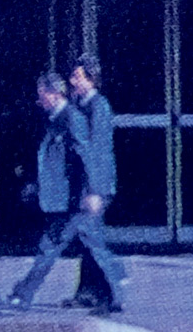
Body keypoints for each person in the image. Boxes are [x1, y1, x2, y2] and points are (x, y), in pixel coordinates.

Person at [4, 73, 126, 314]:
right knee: (90, 243)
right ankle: (117, 284)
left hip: (74, 199)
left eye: (42, 95)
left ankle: (23, 294)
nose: (39, 100)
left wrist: (92, 191)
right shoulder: (56, 118)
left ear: (53, 93)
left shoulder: (71, 118)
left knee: (51, 246)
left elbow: (86, 156)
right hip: (68, 198)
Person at [64, 54, 125, 312]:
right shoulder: (81, 105)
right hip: (87, 185)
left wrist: (94, 191)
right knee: (87, 238)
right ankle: (88, 291)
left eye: (77, 77)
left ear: (91, 79)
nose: (71, 81)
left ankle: (113, 291)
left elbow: (97, 151)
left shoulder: (98, 107)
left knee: (92, 238)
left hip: (96, 186)